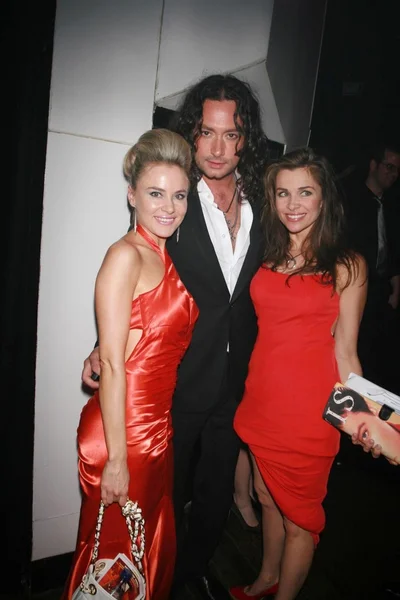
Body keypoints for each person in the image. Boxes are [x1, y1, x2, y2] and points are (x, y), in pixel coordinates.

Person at [82, 73, 269, 600]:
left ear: (245, 138)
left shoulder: (262, 203)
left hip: (237, 384)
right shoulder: (174, 200)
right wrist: (104, 346)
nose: (216, 147)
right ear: (192, 133)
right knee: (164, 498)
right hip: (178, 386)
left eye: (229, 134)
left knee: (213, 499)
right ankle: (158, 579)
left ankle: (191, 575)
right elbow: (140, 282)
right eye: (206, 132)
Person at [62, 129, 198, 600]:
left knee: (142, 557)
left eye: (179, 195)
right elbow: (118, 369)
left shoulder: (161, 252)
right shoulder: (125, 255)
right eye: (156, 193)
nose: (169, 206)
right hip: (123, 435)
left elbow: (130, 336)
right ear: (132, 195)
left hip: (154, 429)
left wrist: (99, 347)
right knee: (113, 564)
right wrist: (117, 459)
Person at [230, 148, 367, 600]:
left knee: (300, 521)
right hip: (260, 404)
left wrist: (363, 420)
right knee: (266, 499)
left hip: (309, 417)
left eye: (305, 192)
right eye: (283, 193)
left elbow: (346, 352)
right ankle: (267, 579)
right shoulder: (267, 256)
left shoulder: (347, 266)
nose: (293, 204)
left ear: (324, 197)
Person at [341, 142, 400, 393]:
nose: (393, 174)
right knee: (355, 351)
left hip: (380, 294)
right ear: (374, 165)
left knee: (380, 360)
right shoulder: (350, 202)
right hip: (354, 290)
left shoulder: (392, 206)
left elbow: (394, 250)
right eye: (389, 166)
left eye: (397, 170)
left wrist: (396, 290)